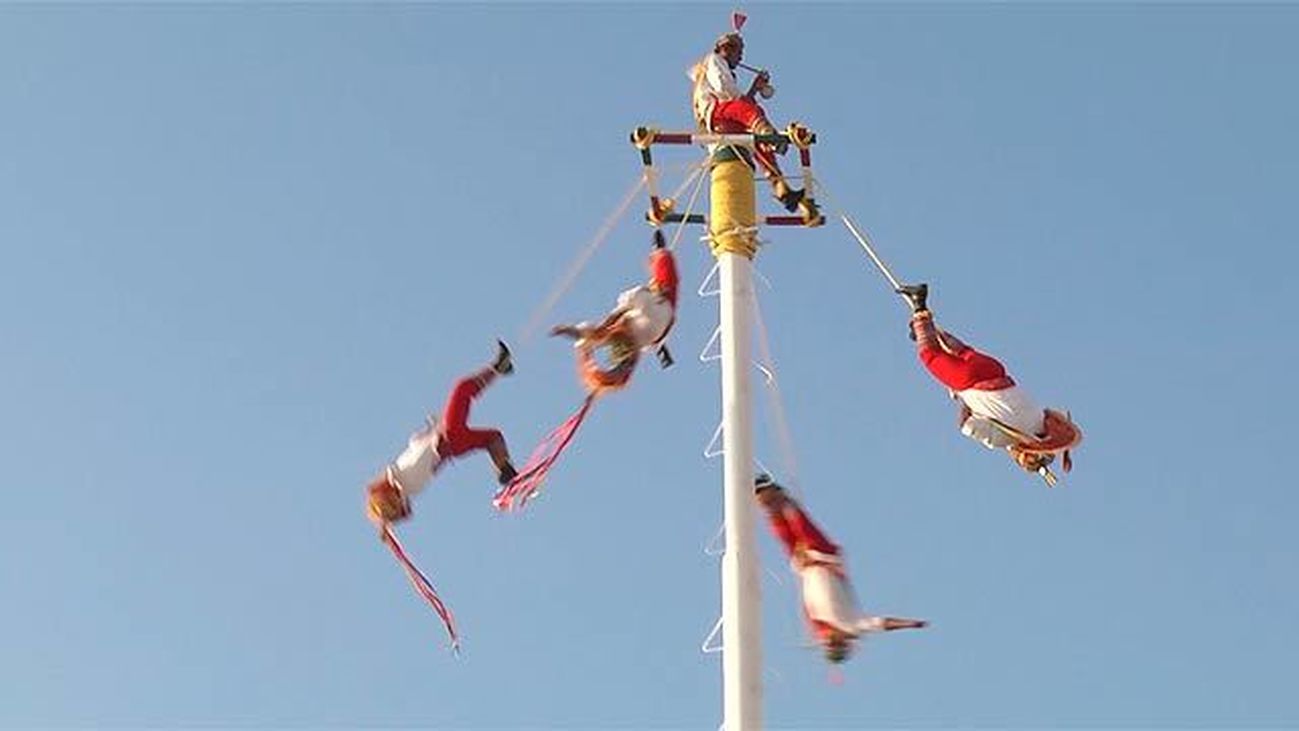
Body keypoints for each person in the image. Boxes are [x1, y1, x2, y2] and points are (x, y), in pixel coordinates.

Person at [897, 283, 1082, 484]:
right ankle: (919, 305)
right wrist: (964, 401)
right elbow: (967, 426)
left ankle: (924, 330)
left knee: (963, 351)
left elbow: (1059, 415)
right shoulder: (1003, 439)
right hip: (969, 381)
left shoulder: (1042, 419)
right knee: (930, 355)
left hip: (995, 370)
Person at [756, 475, 927, 664]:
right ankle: (780, 496)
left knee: (783, 531)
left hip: (805, 565)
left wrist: (803, 567)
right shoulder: (853, 625)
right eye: (835, 643)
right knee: (801, 525)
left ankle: (766, 498)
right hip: (825, 558)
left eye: (828, 644)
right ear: (844, 642)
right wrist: (909, 624)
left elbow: (808, 602)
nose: (829, 639)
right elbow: (883, 624)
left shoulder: (818, 629)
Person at [366, 341, 518, 524]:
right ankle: (499, 367)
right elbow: (423, 464)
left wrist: (386, 519)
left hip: (452, 444)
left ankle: (505, 468)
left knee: (491, 437)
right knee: (462, 389)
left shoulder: (405, 478)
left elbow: (425, 463)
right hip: (449, 436)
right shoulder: (404, 480)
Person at [690, 31, 819, 223]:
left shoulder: (721, 66)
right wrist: (751, 96)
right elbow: (726, 90)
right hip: (716, 113)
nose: (741, 57)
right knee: (750, 113)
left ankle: (780, 187)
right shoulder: (714, 60)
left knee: (757, 140)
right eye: (739, 51)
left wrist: (755, 87)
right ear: (726, 49)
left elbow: (738, 102)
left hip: (726, 119)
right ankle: (767, 134)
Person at [550, 231, 680, 392]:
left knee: (663, 273)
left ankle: (659, 251)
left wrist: (572, 333)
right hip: (659, 313)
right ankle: (659, 250)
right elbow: (602, 328)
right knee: (663, 270)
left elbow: (597, 332)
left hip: (659, 319)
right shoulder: (641, 304)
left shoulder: (639, 329)